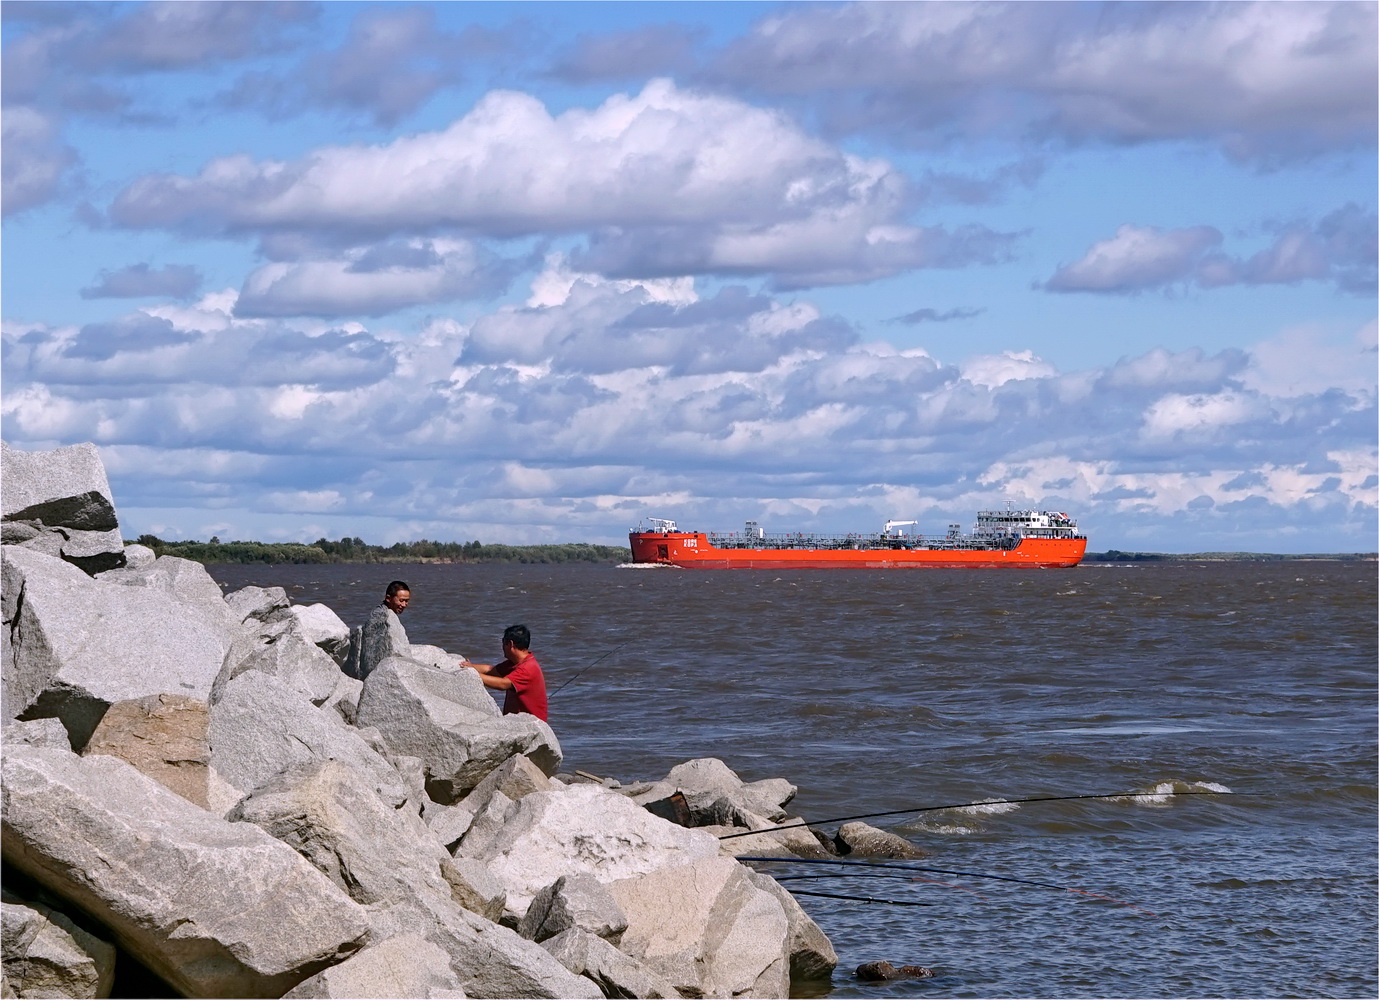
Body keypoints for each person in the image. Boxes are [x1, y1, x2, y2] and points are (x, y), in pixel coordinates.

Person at [465, 624, 548, 722]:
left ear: (510, 644)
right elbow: (490, 670)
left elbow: (502, 684)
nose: (502, 647)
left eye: (503, 642)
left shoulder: (527, 668)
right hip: (516, 722)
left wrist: (471, 674)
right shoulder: (515, 663)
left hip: (532, 726)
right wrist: (470, 666)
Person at [349, 580, 412, 679]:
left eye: (406, 601)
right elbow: (368, 649)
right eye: (401, 600)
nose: (404, 605)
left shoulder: (387, 613)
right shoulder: (380, 615)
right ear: (388, 598)